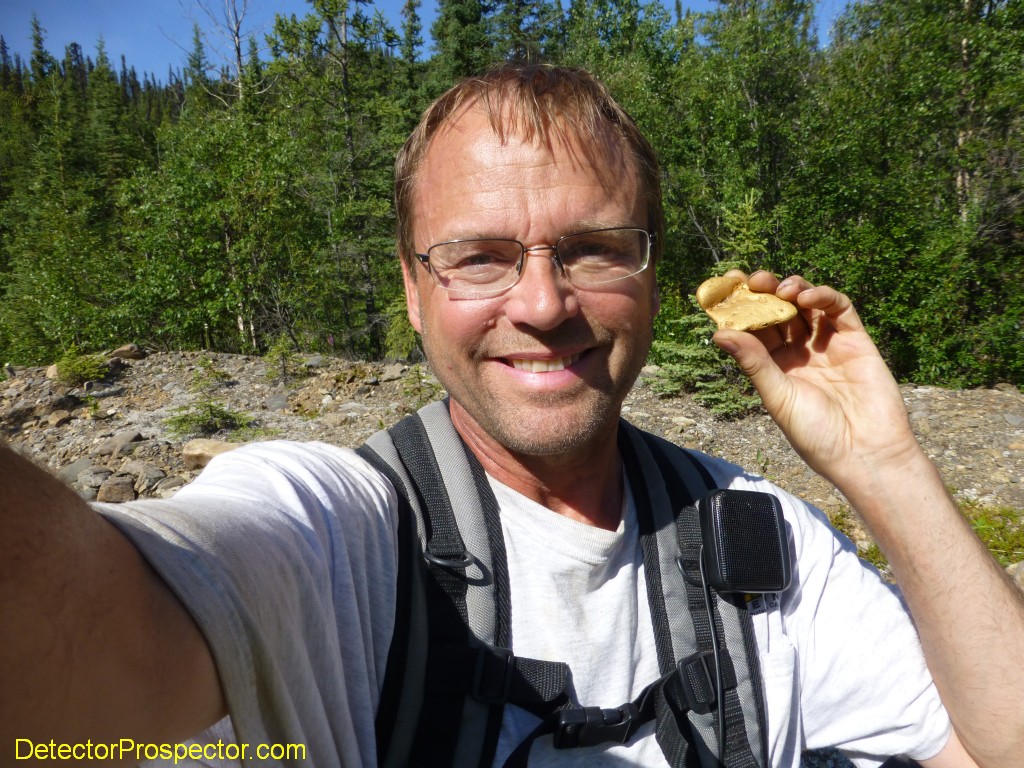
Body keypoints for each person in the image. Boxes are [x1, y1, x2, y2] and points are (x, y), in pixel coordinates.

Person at [2, 63, 1022, 768]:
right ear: (411, 290)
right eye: (479, 256)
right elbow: (71, 646)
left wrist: (882, 464)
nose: (540, 305)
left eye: (591, 248)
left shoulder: (758, 544)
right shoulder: (336, 534)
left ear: (652, 277)